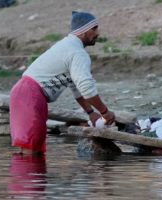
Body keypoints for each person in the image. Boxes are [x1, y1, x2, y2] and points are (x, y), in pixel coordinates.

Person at [9, 11, 115, 155]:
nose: (98, 33)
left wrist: (90, 113)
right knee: (32, 151)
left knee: (27, 150)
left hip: (22, 92)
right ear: (83, 30)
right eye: (94, 28)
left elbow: (76, 87)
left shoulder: (66, 46)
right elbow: (86, 88)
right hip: (31, 96)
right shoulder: (77, 53)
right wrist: (105, 112)